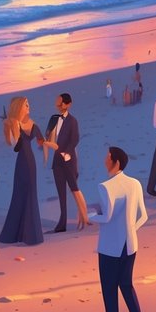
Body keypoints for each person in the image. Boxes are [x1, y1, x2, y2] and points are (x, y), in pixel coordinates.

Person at [90, 147, 148, 312]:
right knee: (127, 285)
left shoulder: (105, 186)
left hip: (110, 248)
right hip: (130, 245)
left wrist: (90, 216)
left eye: (107, 157)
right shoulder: (134, 183)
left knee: (109, 292)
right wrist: (130, 229)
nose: (105, 159)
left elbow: (106, 217)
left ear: (115, 162)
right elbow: (144, 216)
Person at [0, 96, 54, 246]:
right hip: (21, 162)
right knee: (18, 194)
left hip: (30, 162)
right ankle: (12, 234)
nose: (28, 106)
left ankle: (31, 235)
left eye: (28, 104)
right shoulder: (14, 124)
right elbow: (13, 145)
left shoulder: (32, 124)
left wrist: (49, 149)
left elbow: (42, 142)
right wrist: (11, 126)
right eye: (25, 104)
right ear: (19, 107)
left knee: (30, 194)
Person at [47, 93, 88, 233]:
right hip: (57, 161)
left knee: (74, 189)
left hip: (68, 160)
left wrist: (67, 152)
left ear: (68, 104)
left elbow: (75, 139)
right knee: (61, 193)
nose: (58, 106)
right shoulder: (53, 119)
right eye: (57, 104)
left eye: (61, 104)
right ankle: (62, 222)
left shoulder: (72, 121)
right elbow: (49, 136)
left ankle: (84, 217)